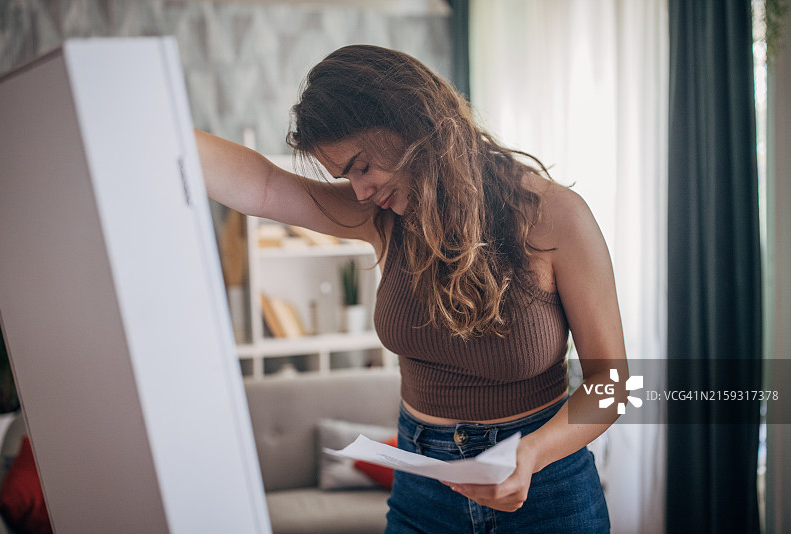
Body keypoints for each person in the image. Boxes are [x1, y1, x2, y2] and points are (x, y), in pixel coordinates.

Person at [195, 44, 626, 533]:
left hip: (546, 490)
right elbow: (266, 187)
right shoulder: (382, 218)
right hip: (424, 492)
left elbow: (611, 386)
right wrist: (156, 125)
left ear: (412, 122)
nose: (358, 192)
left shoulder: (557, 217)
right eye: (344, 176)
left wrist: (531, 454)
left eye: (361, 166)